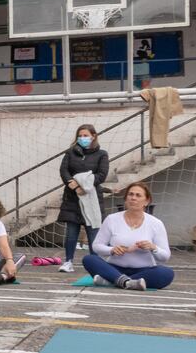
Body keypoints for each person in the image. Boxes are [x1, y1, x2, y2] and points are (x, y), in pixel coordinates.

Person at [83, 182, 173, 290]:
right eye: (130, 194)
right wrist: (112, 250)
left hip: (143, 271)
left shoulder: (156, 223)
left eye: (138, 195)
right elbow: (96, 246)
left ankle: (115, 281)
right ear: (125, 199)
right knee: (89, 259)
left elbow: (165, 256)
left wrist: (153, 248)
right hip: (114, 269)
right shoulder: (112, 219)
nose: (133, 198)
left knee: (167, 273)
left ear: (147, 201)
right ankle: (127, 282)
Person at [55, 124, 109, 273]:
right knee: (71, 233)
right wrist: (72, 185)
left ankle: (96, 264)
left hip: (91, 198)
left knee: (93, 234)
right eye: (80, 136)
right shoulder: (70, 153)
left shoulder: (102, 154)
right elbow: (64, 170)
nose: (82, 138)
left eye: (85, 135)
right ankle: (68, 262)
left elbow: (102, 175)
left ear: (93, 136)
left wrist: (82, 184)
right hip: (72, 198)